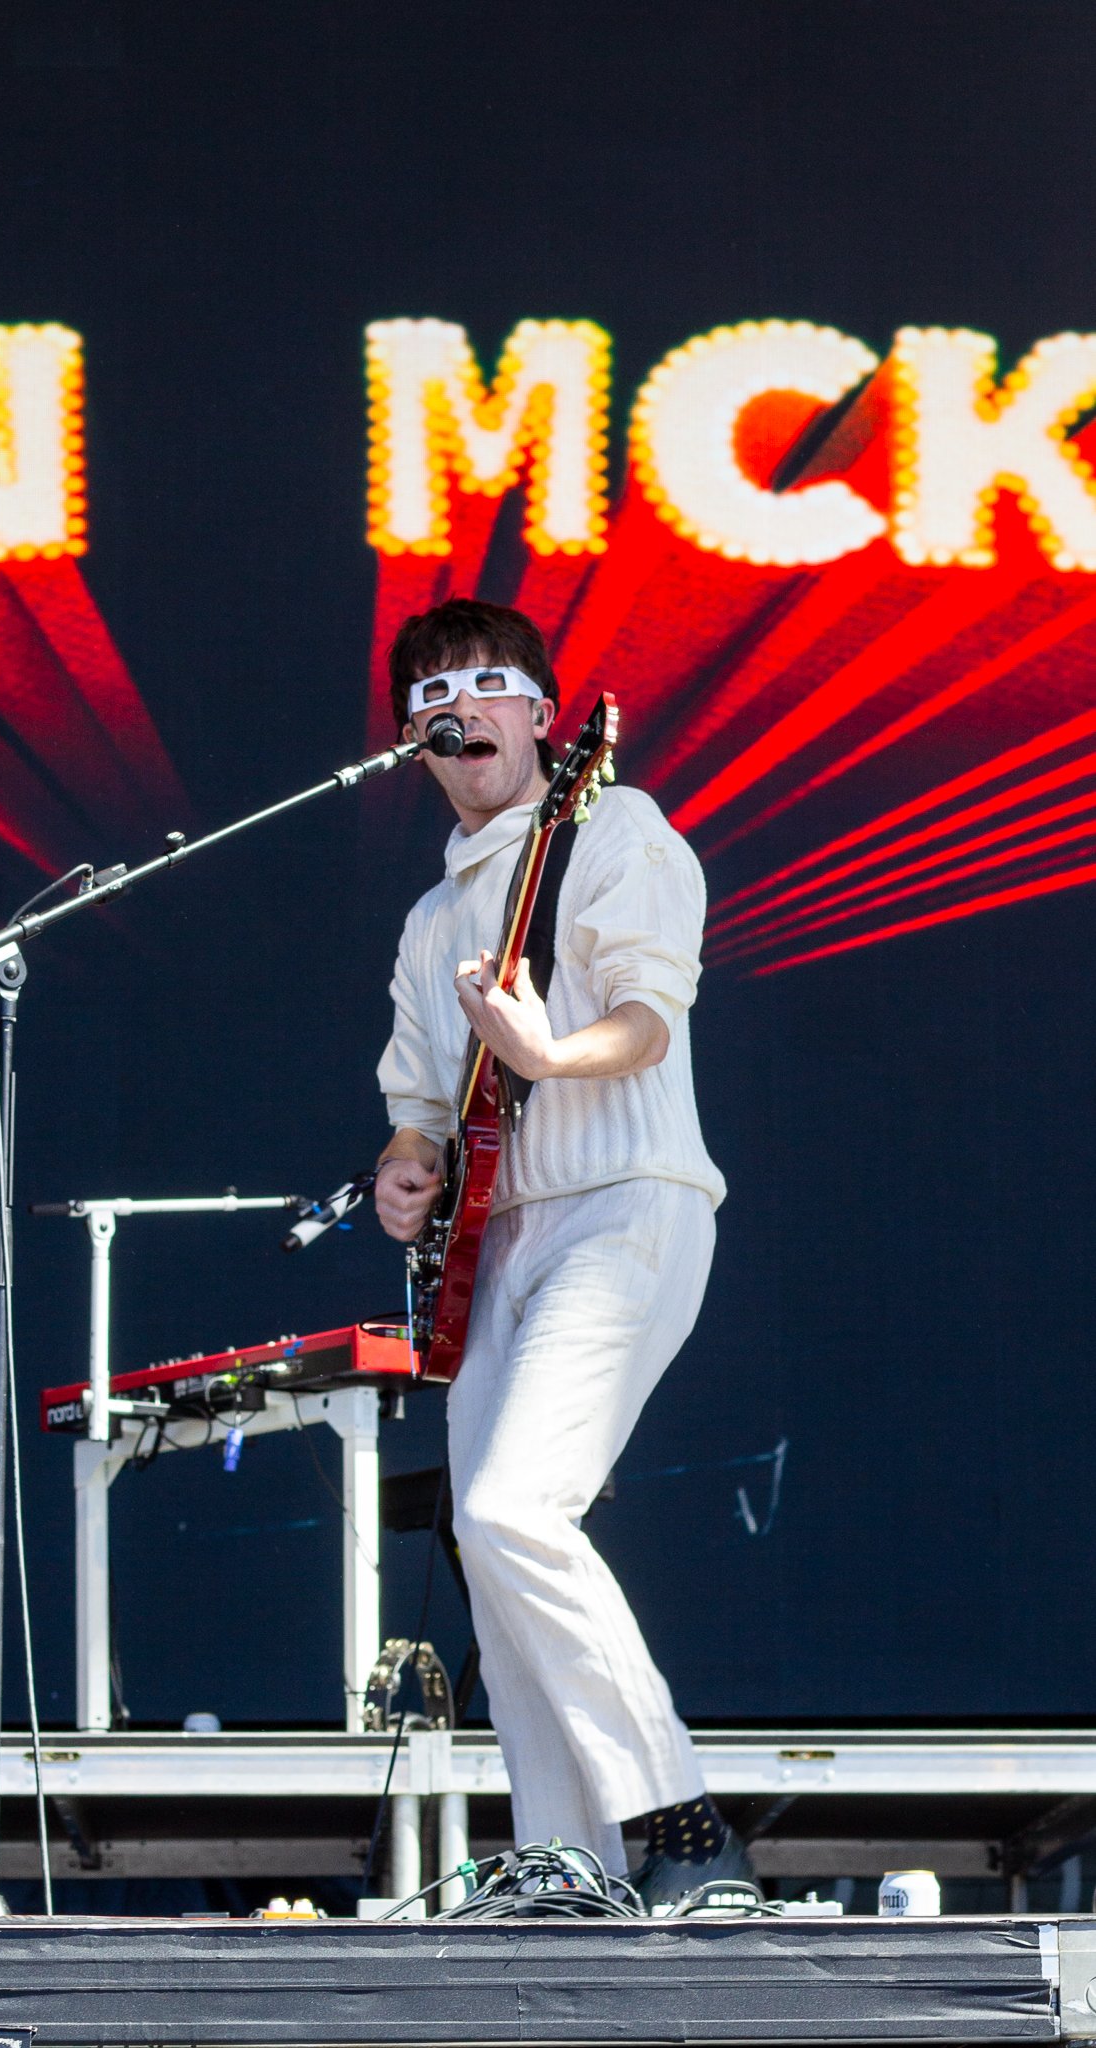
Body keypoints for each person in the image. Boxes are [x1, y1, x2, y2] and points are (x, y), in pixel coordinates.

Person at [373, 595, 750, 1905]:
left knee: (509, 1508)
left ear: (541, 716)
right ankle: (564, 1856)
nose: (457, 706)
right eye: (431, 693)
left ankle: (675, 1814)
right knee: (491, 1549)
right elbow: (422, 1101)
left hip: (625, 1205)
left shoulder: (614, 833)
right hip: (498, 1241)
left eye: (486, 683)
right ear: (411, 739)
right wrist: (406, 1165)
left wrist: (549, 1052)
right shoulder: (433, 924)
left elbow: (646, 1019)